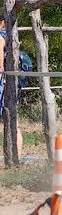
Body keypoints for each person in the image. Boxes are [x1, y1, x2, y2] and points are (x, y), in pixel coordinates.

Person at [0, 15, 25, 158]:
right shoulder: (9, 36)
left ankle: (14, 157)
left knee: (11, 121)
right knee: (13, 120)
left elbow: (0, 67)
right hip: (10, 82)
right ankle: (16, 157)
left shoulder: (0, 37)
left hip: (3, 83)